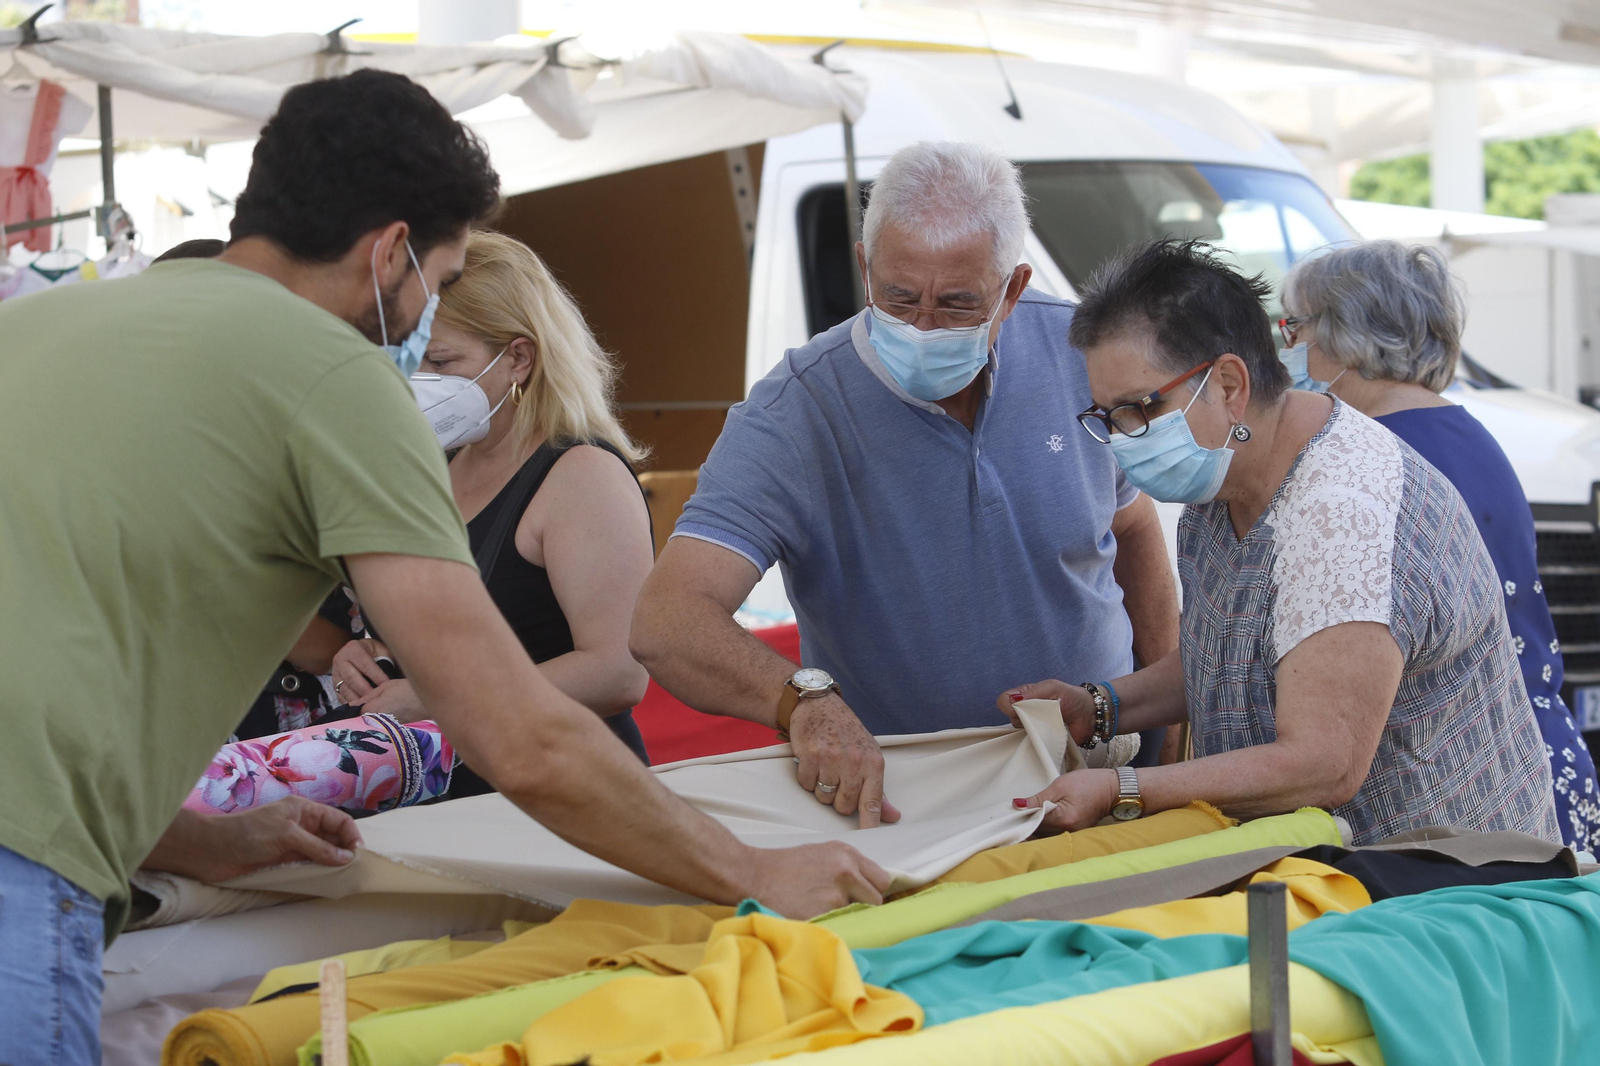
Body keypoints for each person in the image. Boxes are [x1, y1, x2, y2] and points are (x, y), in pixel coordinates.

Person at [0, 70, 884, 1063]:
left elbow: (54, 674)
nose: (424, 326)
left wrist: (202, 841)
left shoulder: (38, 329)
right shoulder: (332, 380)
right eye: (440, 274)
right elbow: (514, 729)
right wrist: (751, 869)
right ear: (390, 253)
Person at [632, 141, 1179, 830]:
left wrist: (1165, 718)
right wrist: (803, 700)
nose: (922, 327)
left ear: (1012, 289)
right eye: (898, 297)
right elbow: (668, 619)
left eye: (956, 305)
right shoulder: (797, 412)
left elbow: (1131, 527)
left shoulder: (1083, 353)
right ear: (865, 270)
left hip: (1095, 766)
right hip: (906, 797)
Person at [1002, 238, 1560, 846]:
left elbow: (1324, 763)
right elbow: (1234, 659)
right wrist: (1101, 706)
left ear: (1229, 384)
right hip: (1332, 882)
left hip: (1442, 892)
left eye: (1139, 409)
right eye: (1108, 417)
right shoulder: (1226, 478)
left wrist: (1124, 789)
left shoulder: (1341, 511)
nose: (1124, 438)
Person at [1279, 240, 1600, 851]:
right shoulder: (1466, 432)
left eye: (1297, 326)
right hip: (1540, 757)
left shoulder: (1375, 457)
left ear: (1351, 333)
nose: (1288, 346)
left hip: (1469, 790)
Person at [329, 230, 656, 783]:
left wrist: (438, 700)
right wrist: (370, 654)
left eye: (440, 359)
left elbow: (617, 672)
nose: (416, 381)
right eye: (406, 359)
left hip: (567, 797)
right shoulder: (440, 466)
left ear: (519, 358)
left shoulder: (580, 475)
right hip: (454, 791)